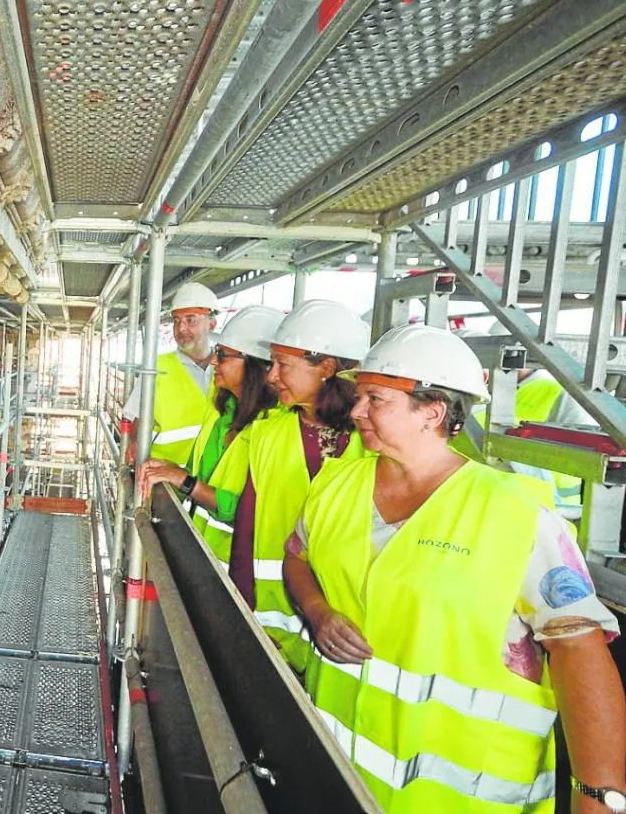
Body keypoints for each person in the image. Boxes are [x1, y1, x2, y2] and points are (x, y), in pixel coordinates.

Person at [284, 324, 625, 814]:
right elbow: (298, 556)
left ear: (432, 412)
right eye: (360, 397)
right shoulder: (336, 484)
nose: (356, 411)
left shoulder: (514, 515)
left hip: (467, 797)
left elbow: (579, 650)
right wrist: (317, 612)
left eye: (376, 399)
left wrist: (598, 795)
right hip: (341, 776)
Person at [211, 299, 371, 674]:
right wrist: (241, 615)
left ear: (327, 368)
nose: (271, 376)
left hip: (351, 631)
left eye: (284, 365)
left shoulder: (373, 441)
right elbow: (246, 532)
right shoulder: (268, 433)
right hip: (276, 623)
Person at [136, 305, 283, 565]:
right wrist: (170, 470)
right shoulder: (220, 413)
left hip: (243, 570)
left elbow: (256, 510)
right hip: (202, 555)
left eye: (224, 356)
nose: (214, 361)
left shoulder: (278, 427)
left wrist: (185, 482)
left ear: (256, 366)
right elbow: (196, 472)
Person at [457, 322, 595, 519]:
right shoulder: (490, 390)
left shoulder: (557, 391)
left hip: (549, 506)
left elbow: (587, 447)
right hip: (500, 500)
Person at [123, 281, 220, 466]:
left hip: (213, 485)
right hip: (166, 485)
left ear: (212, 324)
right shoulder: (156, 367)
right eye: (176, 321)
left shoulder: (228, 368)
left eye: (190, 320)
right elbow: (135, 420)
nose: (181, 328)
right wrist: (134, 444)